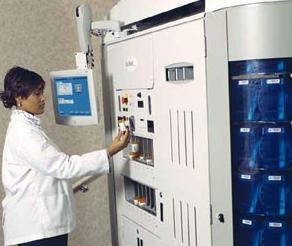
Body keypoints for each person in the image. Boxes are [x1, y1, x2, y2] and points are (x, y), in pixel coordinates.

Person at [0, 66, 130, 246]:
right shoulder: (24, 133)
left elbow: (45, 172)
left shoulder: (26, 127)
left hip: (40, 226)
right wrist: (110, 150)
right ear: (20, 98)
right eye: (37, 94)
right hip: (37, 228)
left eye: (42, 92)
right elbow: (64, 166)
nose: (43, 98)